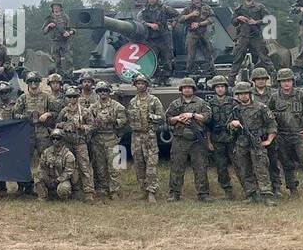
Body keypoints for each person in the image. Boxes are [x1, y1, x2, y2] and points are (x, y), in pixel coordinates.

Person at [273, 68, 303, 200]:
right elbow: (269, 116)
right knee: (287, 164)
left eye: (288, 80)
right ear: (279, 83)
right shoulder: (274, 97)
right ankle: (293, 190)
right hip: (282, 135)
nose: (286, 84)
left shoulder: (301, 95)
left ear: (292, 81)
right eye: (283, 81)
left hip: (298, 134)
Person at [227, 80, 277, 205]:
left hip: (257, 141)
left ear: (250, 94)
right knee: (245, 169)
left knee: (261, 169)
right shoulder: (235, 110)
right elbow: (227, 126)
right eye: (241, 94)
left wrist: (269, 140)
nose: (243, 96)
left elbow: (272, 124)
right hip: (241, 143)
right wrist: (232, 124)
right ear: (237, 95)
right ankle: (251, 194)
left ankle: (266, 195)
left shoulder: (261, 107)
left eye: (246, 93)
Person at [165, 78, 213, 201]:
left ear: (193, 89)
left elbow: (208, 117)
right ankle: (174, 193)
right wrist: (178, 118)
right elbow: (168, 119)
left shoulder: (201, 103)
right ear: (181, 89)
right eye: (185, 87)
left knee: (200, 166)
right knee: (177, 166)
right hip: (180, 139)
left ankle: (203, 193)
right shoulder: (175, 104)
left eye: (189, 87)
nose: (187, 89)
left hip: (196, 140)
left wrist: (192, 115)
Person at [13, 71, 57, 199]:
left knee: (46, 160)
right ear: (27, 84)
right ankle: (24, 186)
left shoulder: (47, 97)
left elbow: (55, 112)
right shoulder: (23, 98)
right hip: (28, 132)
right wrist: (26, 117)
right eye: (31, 82)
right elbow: (15, 114)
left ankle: (47, 187)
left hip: (43, 133)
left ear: (39, 83)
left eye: (36, 82)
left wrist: (47, 114)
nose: (33, 84)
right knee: (25, 160)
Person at [53, 85, 95, 202]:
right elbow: (57, 126)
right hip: (67, 143)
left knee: (85, 167)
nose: (72, 99)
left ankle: (89, 192)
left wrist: (81, 127)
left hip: (80, 142)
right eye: (70, 97)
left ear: (78, 97)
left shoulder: (85, 111)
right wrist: (63, 126)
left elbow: (92, 126)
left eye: (74, 97)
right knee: (68, 167)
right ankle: (70, 190)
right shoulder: (64, 111)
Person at [126, 73, 164, 201]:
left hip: (149, 136)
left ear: (146, 85)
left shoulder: (154, 100)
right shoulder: (132, 101)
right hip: (136, 137)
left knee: (151, 164)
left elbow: (161, 117)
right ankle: (142, 190)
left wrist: (150, 116)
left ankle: (152, 191)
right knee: (139, 164)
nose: (140, 85)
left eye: (142, 83)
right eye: (138, 83)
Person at [89, 80, 127, 200]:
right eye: (100, 91)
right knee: (100, 167)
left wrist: (114, 121)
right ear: (97, 93)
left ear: (109, 92)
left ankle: (115, 191)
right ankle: (102, 189)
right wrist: (95, 123)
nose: (103, 93)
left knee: (114, 167)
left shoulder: (117, 106)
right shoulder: (92, 108)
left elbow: (124, 121)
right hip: (98, 140)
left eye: (105, 90)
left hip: (111, 139)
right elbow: (88, 122)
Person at [249, 67, 285, 194]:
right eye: (258, 79)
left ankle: (276, 186)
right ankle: (259, 188)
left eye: (263, 79)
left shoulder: (274, 93)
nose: (260, 81)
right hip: (254, 132)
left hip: (271, 131)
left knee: (274, 160)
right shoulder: (248, 93)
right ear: (254, 80)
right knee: (256, 162)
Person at [205, 74, 238, 199]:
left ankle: (249, 190)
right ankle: (228, 190)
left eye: (222, 86)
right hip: (217, 139)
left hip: (232, 139)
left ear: (226, 88)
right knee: (221, 166)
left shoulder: (233, 102)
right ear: (214, 88)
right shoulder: (209, 104)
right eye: (217, 87)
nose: (220, 89)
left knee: (239, 165)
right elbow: (207, 125)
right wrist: (208, 142)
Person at [229, 0, 271, 80]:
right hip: (243, 36)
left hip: (256, 36)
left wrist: (256, 22)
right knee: (237, 59)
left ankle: (275, 79)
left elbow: (268, 19)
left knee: (264, 58)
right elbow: (233, 22)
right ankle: (230, 82)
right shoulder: (239, 9)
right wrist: (239, 18)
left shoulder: (260, 7)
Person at [138, 0, 176, 84]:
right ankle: (156, 76)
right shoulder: (144, 11)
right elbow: (139, 20)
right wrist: (149, 24)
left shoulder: (165, 8)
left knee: (167, 57)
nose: (151, 0)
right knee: (152, 58)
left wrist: (172, 24)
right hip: (152, 37)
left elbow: (177, 15)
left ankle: (166, 77)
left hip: (164, 36)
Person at [180, 0, 215, 79]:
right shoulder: (188, 8)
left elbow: (212, 19)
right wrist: (190, 15)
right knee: (190, 53)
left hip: (203, 32)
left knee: (208, 51)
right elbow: (180, 19)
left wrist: (199, 24)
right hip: (192, 33)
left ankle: (212, 70)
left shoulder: (207, 8)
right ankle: (189, 71)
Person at [37, 129, 77, 201]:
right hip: (50, 178)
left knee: (63, 189)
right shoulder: (46, 152)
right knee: (37, 177)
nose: (55, 140)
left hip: (62, 180)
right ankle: (43, 197)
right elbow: (41, 167)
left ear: (62, 140)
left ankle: (63, 198)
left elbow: (69, 172)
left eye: (57, 138)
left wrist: (57, 180)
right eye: (53, 138)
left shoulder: (68, 155)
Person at [43, 1, 76, 80]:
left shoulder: (65, 17)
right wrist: (49, 26)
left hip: (65, 41)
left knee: (69, 59)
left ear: (60, 8)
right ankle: (57, 78)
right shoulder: (49, 18)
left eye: (57, 6)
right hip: (55, 42)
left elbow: (73, 29)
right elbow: (44, 31)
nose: (56, 8)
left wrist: (69, 33)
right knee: (56, 61)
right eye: (54, 6)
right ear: (52, 8)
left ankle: (70, 77)